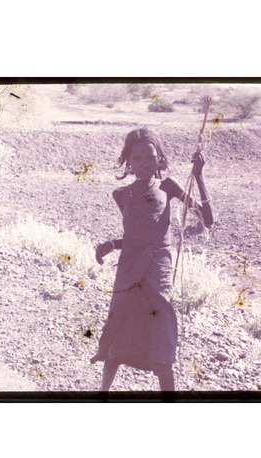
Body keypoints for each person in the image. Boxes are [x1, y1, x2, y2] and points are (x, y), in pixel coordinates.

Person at [90, 128, 213, 392]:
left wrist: (199, 176)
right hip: (129, 269)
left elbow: (208, 218)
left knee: (161, 328)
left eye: (150, 157)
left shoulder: (168, 187)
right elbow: (135, 237)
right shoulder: (121, 194)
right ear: (129, 162)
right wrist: (111, 244)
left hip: (158, 268)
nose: (145, 163)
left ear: (159, 159)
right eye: (138, 158)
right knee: (119, 327)